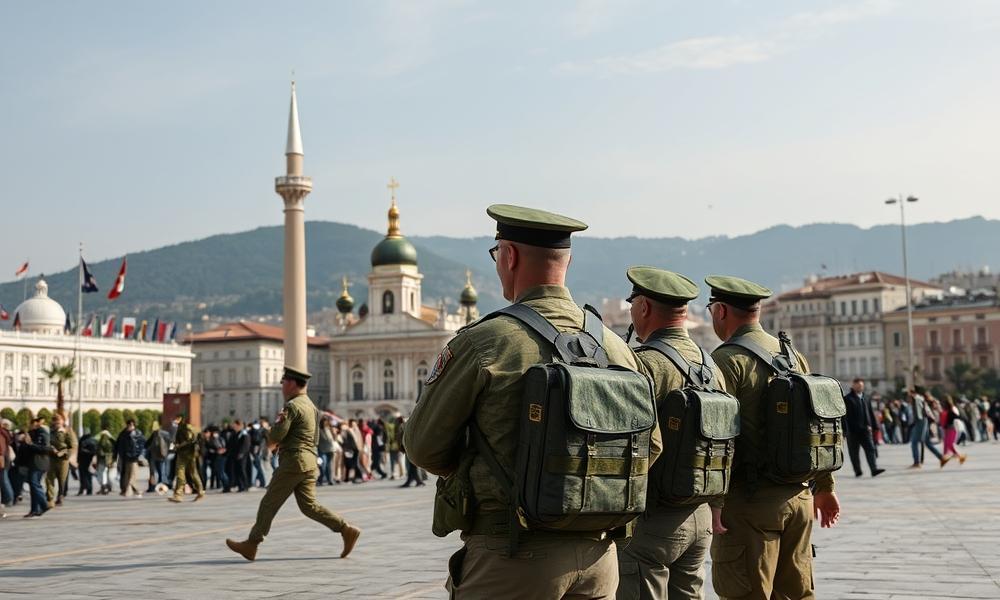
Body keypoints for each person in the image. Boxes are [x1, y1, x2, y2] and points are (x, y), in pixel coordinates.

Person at [405, 204, 660, 599]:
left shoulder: (485, 342)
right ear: (567, 261)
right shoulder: (617, 348)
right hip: (599, 557)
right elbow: (651, 446)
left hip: (512, 555)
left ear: (509, 256)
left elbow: (423, 446)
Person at [705, 275, 840, 600]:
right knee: (796, 595)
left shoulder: (726, 360)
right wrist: (825, 487)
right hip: (798, 500)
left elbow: (721, 438)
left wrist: (716, 503)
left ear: (720, 311)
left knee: (747, 593)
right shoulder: (792, 356)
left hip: (750, 505)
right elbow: (817, 426)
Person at [615, 267, 718, 600]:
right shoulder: (710, 366)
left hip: (652, 520)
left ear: (643, 308)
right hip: (699, 515)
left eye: (633, 304)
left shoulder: (642, 363)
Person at [225, 366, 362, 561]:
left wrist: (268, 434)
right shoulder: (312, 406)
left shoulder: (292, 406)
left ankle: (252, 544)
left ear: (291, 383)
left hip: (294, 461)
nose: (282, 387)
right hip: (309, 460)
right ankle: (345, 529)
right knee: (309, 506)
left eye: (283, 383)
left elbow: (277, 435)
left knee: (269, 503)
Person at [842, 378, 885, 478]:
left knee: (871, 449)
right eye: (858, 385)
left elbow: (870, 412)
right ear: (853, 386)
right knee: (854, 452)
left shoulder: (866, 397)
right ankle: (858, 470)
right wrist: (845, 430)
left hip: (865, 430)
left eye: (861, 386)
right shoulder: (848, 399)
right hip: (853, 432)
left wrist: (874, 426)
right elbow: (845, 416)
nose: (860, 387)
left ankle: (874, 469)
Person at [169, 413, 205, 503]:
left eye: (177, 418)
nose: (175, 420)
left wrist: (178, 446)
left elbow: (189, 440)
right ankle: (200, 491)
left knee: (182, 473)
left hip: (186, 453)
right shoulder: (181, 427)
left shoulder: (186, 427)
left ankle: (179, 495)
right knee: (191, 473)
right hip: (186, 453)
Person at [46, 413, 76, 507]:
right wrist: (50, 448)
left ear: (62, 421)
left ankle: (60, 496)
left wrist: (62, 453)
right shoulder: (50, 431)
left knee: (61, 479)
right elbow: (45, 443)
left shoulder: (67, 431)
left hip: (63, 460)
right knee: (49, 479)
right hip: (51, 458)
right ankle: (50, 499)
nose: (56, 422)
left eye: (58, 420)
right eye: (55, 420)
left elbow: (73, 446)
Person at [908, 388, 943, 467]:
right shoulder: (921, 398)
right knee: (927, 442)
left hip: (920, 421)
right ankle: (941, 457)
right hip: (924, 421)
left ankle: (917, 462)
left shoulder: (916, 399)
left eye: (909, 393)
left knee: (914, 442)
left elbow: (918, 413)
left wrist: (916, 421)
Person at [24, 417, 50, 518]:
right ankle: (35, 509)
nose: (31, 426)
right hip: (33, 463)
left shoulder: (42, 433)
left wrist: (30, 444)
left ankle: (44, 504)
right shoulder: (33, 433)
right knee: (33, 485)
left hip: (39, 463)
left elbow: (45, 449)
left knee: (34, 484)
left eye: (33, 423)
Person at [114, 419, 144, 498]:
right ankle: (132, 489)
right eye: (129, 424)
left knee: (133, 474)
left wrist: (137, 455)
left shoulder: (138, 433)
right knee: (126, 474)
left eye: (132, 425)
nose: (130, 426)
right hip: (125, 457)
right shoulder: (123, 434)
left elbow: (141, 446)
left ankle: (129, 490)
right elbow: (118, 445)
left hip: (133, 458)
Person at [939, 395, 968, 467]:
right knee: (946, 444)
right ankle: (944, 458)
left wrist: (959, 418)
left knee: (949, 444)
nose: (942, 403)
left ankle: (960, 456)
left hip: (952, 429)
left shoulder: (951, 409)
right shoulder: (945, 409)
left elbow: (957, 416)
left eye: (943, 401)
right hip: (946, 429)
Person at [76, 429, 98, 496]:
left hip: (83, 459)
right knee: (89, 475)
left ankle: (83, 489)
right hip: (89, 459)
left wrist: (78, 459)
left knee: (83, 475)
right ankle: (89, 490)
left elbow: (79, 450)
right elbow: (95, 450)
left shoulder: (82, 439)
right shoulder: (93, 440)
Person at [95, 428, 116, 495]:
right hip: (110, 460)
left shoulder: (101, 440)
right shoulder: (111, 440)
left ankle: (104, 487)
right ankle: (107, 487)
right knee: (108, 474)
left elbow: (99, 450)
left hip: (103, 460)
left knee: (102, 473)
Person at [0, 419, 14, 515]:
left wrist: (1, 458)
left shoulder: (1, 433)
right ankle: (8, 499)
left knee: (4, 479)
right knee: (4, 479)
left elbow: (1, 448)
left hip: (2, 459)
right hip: (5, 458)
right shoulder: (4, 432)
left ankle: (9, 499)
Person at [317, 416, 336, 486]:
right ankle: (320, 479)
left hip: (330, 449)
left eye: (327, 421)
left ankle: (330, 480)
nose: (326, 423)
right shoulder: (319, 430)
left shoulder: (330, 429)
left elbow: (334, 439)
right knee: (323, 465)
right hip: (322, 450)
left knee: (329, 466)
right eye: (324, 421)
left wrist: (334, 433)